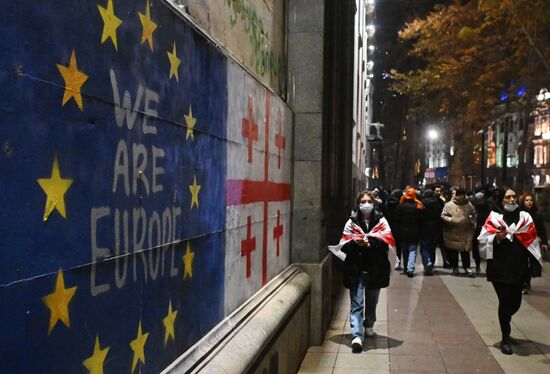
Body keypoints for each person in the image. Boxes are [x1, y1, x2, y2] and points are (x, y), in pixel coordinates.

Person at [478, 189, 544, 355]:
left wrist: (535, 264)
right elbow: (482, 239)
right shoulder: (494, 217)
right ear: (502, 200)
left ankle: (506, 320)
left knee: (515, 302)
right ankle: (505, 337)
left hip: (519, 267)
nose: (512, 199)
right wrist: (495, 237)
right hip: (499, 268)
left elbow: (532, 240)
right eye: (508, 197)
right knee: (505, 301)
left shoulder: (525, 218)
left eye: (514, 196)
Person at [335, 191, 394, 353]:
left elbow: (387, 243)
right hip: (356, 269)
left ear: (373, 203)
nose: (366, 204)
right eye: (363, 201)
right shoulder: (351, 222)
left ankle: (369, 324)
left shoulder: (381, 221)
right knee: (356, 303)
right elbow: (344, 245)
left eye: (369, 201)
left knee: (372, 301)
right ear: (358, 204)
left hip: (375, 269)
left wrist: (371, 244)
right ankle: (357, 335)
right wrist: (357, 244)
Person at [441, 188, 476, 277]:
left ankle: (466, 268)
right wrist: (452, 220)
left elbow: (473, 214)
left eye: (463, 195)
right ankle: (455, 268)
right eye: (459, 195)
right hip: (453, 232)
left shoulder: (469, 205)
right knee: (453, 251)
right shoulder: (449, 205)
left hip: (466, 232)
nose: (461, 197)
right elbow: (443, 215)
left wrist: (472, 221)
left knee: (465, 251)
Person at [519, 193, 547, 293]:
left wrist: (544, 242)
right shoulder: (519, 213)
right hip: (522, 242)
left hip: (533, 242)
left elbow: (542, 229)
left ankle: (527, 281)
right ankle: (524, 283)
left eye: (530, 200)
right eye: (526, 200)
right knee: (523, 263)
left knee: (533, 263)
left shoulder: (537, 214)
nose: (529, 202)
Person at [396, 187, 426, 277]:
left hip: (403, 231)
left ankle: (405, 268)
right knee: (412, 250)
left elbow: (397, 218)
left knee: (404, 250)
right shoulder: (418, 205)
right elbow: (421, 219)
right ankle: (410, 268)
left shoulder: (401, 205)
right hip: (414, 231)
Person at [419, 189, 440, 275]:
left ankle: (427, 263)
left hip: (424, 227)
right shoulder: (437, 203)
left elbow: (419, 215)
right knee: (432, 247)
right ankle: (431, 263)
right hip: (435, 227)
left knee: (424, 247)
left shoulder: (421, 203)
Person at [472, 191, 491, 274]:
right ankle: (477, 266)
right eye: (478, 200)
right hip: (476, 231)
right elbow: (471, 217)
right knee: (476, 250)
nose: (480, 201)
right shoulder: (473, 208)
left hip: (486, 230)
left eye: (481, 200)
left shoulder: (489, 207)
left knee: (487, 249)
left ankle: (488, 267)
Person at [385, 189, 403, 270]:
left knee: (389, 245)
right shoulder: (400, 205)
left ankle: (388, 261)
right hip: (398, 227)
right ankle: (398, 261)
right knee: (398, 246)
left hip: (388, 227)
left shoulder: (386, 203)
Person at [434, 185, 450, 267]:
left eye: (439, 191)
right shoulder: (433, 200)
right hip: (434, 225)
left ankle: (446, 261)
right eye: (437, 191)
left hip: (441, 225)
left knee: (443, 244)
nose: (438, 192)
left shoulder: (443, 199)